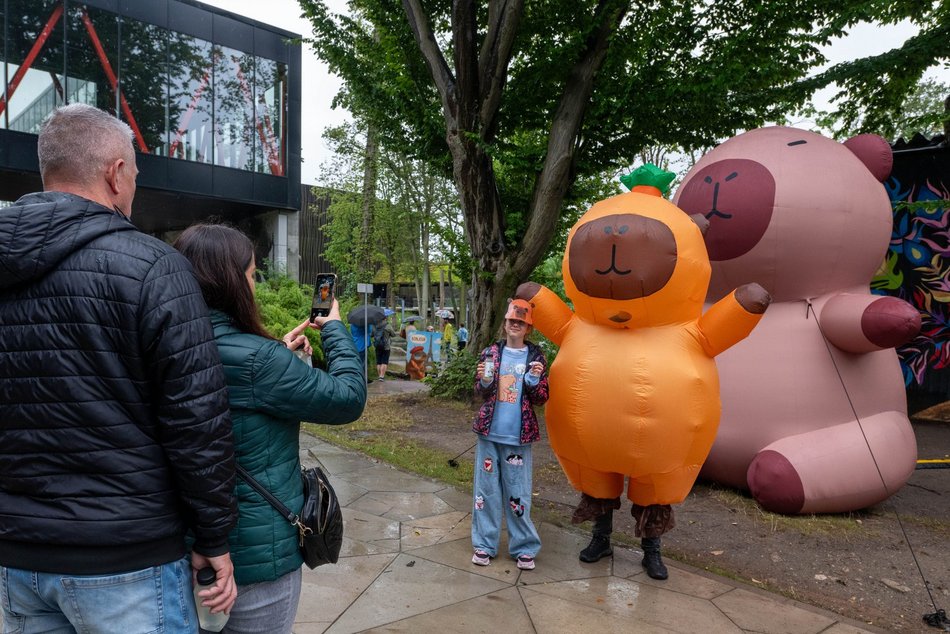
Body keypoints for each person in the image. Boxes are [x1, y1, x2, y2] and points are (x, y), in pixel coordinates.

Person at [0, 103, 238, 632]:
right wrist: (214, 537)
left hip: (17, 554)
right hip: (128, 558)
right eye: (134, 172)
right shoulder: (153, 266)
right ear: (114, 173)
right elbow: (196, 422)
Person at [174, 223, 367, 633]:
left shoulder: (163, 345)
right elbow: (348, 397)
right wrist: (332, 328)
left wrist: (278, 354)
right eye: (251, 274)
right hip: (257, 565)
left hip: (182, 556)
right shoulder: (259, 362)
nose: (255, 284)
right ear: (231, 282)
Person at [471, 299, 549, 570]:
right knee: (486, 492)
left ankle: (524, 547)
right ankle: (484, 544)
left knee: (519, 494)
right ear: (504, 324)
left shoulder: (536, 356)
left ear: (528, 328)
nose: (515, 325)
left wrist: (533, 382)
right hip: (489, 435)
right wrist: (484, 381)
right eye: (511, 321)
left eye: (521, 323)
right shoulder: (490, 352)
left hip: (519, 438)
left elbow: (541, 398)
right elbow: (479, 393)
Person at [374, 313, 396, 381]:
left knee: (379, 362)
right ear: (385, 318)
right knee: (384, 361)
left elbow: (372, 334)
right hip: (386, 346)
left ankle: (379, 375)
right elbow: (393, 334)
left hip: (377, 345)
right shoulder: (387, 325)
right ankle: (381, 376)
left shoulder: (375, 325)